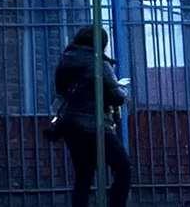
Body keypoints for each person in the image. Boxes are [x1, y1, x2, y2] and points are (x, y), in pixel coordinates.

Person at [53, 26, 132, 207]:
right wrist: (122, 89)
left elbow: (61, 90)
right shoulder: (97, 63)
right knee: (123, 168)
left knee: (84, 175)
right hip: (95, 124)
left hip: (71, 124)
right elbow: (117, 97)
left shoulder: (66, 60)